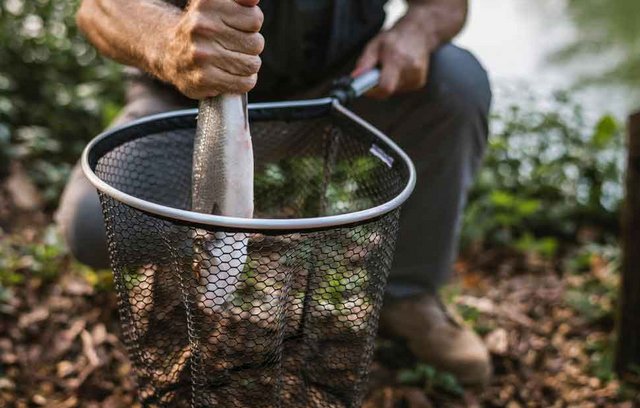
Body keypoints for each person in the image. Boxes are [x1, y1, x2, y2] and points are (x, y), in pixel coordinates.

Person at [58, 0, 492, 386]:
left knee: (457, 83)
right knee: (95, 223)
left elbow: (447, 5)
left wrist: (414, 31)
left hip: (344, 87)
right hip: (191, 97)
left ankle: (410, 297)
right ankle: (176, 265)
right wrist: (171, 41)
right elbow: (98, 8)